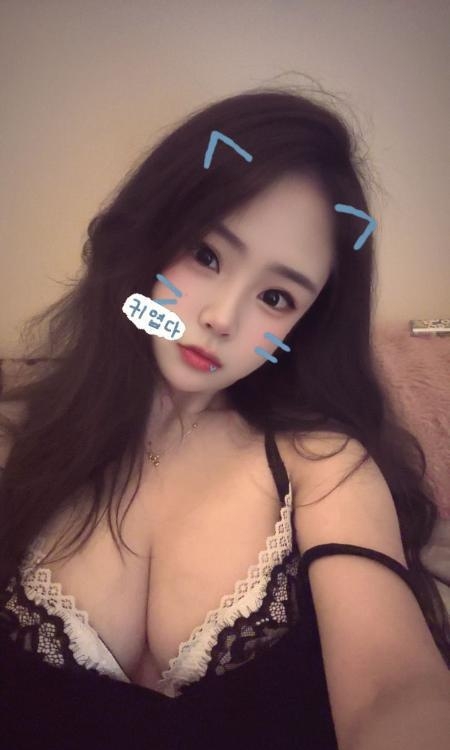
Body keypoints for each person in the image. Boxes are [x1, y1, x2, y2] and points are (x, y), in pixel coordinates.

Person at [0, 85, 449, 750]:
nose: (221, 318)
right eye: (207, 255)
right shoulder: (14, 438)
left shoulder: (322, 464)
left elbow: (394, 688)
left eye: (276, 297)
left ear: (304, 325)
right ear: (152, 234)